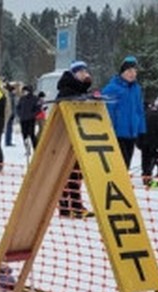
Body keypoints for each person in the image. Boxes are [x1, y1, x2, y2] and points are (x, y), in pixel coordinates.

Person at [56, 60, 94, 218]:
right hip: (66, 136)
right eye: (80, 72)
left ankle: (74, 204)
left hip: (79, 135)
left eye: (85, 71)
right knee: (68, 171)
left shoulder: (80, 88)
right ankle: (68, 205)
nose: (84, 74)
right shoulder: (66, 88)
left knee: (76, 172)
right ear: (74, 73)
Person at [102, 55, 147, 168]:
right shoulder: (111, 88)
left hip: (131, 133)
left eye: (135, 71)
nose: (132, 74)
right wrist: (108, 130)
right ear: (122, 72)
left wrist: (141, 131)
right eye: (129, 71)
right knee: (119, 164)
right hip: (117, 133)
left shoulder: (137, 89)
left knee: (126, 163)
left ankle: (123, 183)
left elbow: (139, 110)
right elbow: (107, 111)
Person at [15, 85, 39, 151]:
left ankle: (36, 148)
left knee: (31, 134)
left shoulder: (35, 98)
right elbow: (18, 107)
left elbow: (38, 108)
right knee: (24, 134)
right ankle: (27, 148)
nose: (24, 92)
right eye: (23, 91)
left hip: (31, 119)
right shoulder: (22, 99)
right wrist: (19, 114)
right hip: (23, 119)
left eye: (25, 91)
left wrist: (33, 114)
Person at [4, 82, 17, 146]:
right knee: (9, 128)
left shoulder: (9, 95)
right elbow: (12, 106)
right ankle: (8, 141)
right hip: (10, 114)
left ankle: (8, 141)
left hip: (10, 113)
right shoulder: (11, 96)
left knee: (9, 128)